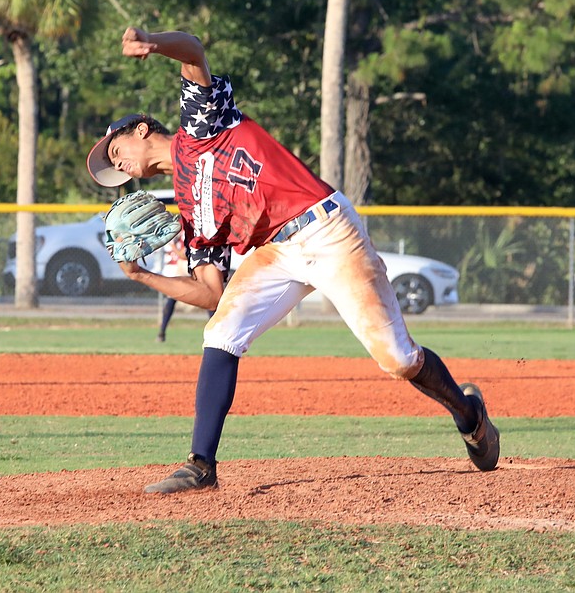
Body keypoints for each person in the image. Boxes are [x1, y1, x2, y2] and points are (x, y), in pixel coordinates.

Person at [86, 27, 499, 494]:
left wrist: (154, 42)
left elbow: (194, 52)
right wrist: (141, 275)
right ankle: (201, 465)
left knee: (398, 359)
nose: (118, 165)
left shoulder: (201, 125)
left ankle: (470, 415)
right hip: (276, 253)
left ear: (141, 129)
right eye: (113, 166)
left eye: (116, 151)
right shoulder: (190, 211)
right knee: (221, 332)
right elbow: (211, 292)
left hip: (325, 228)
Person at [156, 234, 188, 342]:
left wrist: (173, 246)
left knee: (210, 299)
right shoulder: (179, 230)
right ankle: (162, 331)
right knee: (171, 299)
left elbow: (183, 255)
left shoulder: (187, 229)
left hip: (187, 267)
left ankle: (162, 332)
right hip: (182, 268)